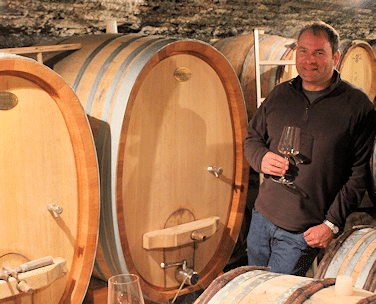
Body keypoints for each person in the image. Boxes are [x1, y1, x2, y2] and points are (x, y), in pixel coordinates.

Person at [244, 21, 376, 276]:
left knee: (279, 298)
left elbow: (358, 175)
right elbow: (252, 137)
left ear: (335, 57)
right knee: (252, 290)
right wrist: (261, 158)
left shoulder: (358, 106)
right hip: (262, 217)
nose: (309, 60)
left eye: (319, 52)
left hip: (303, 232)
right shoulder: (280, 94)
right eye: (303, 51)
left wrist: (331, 224)